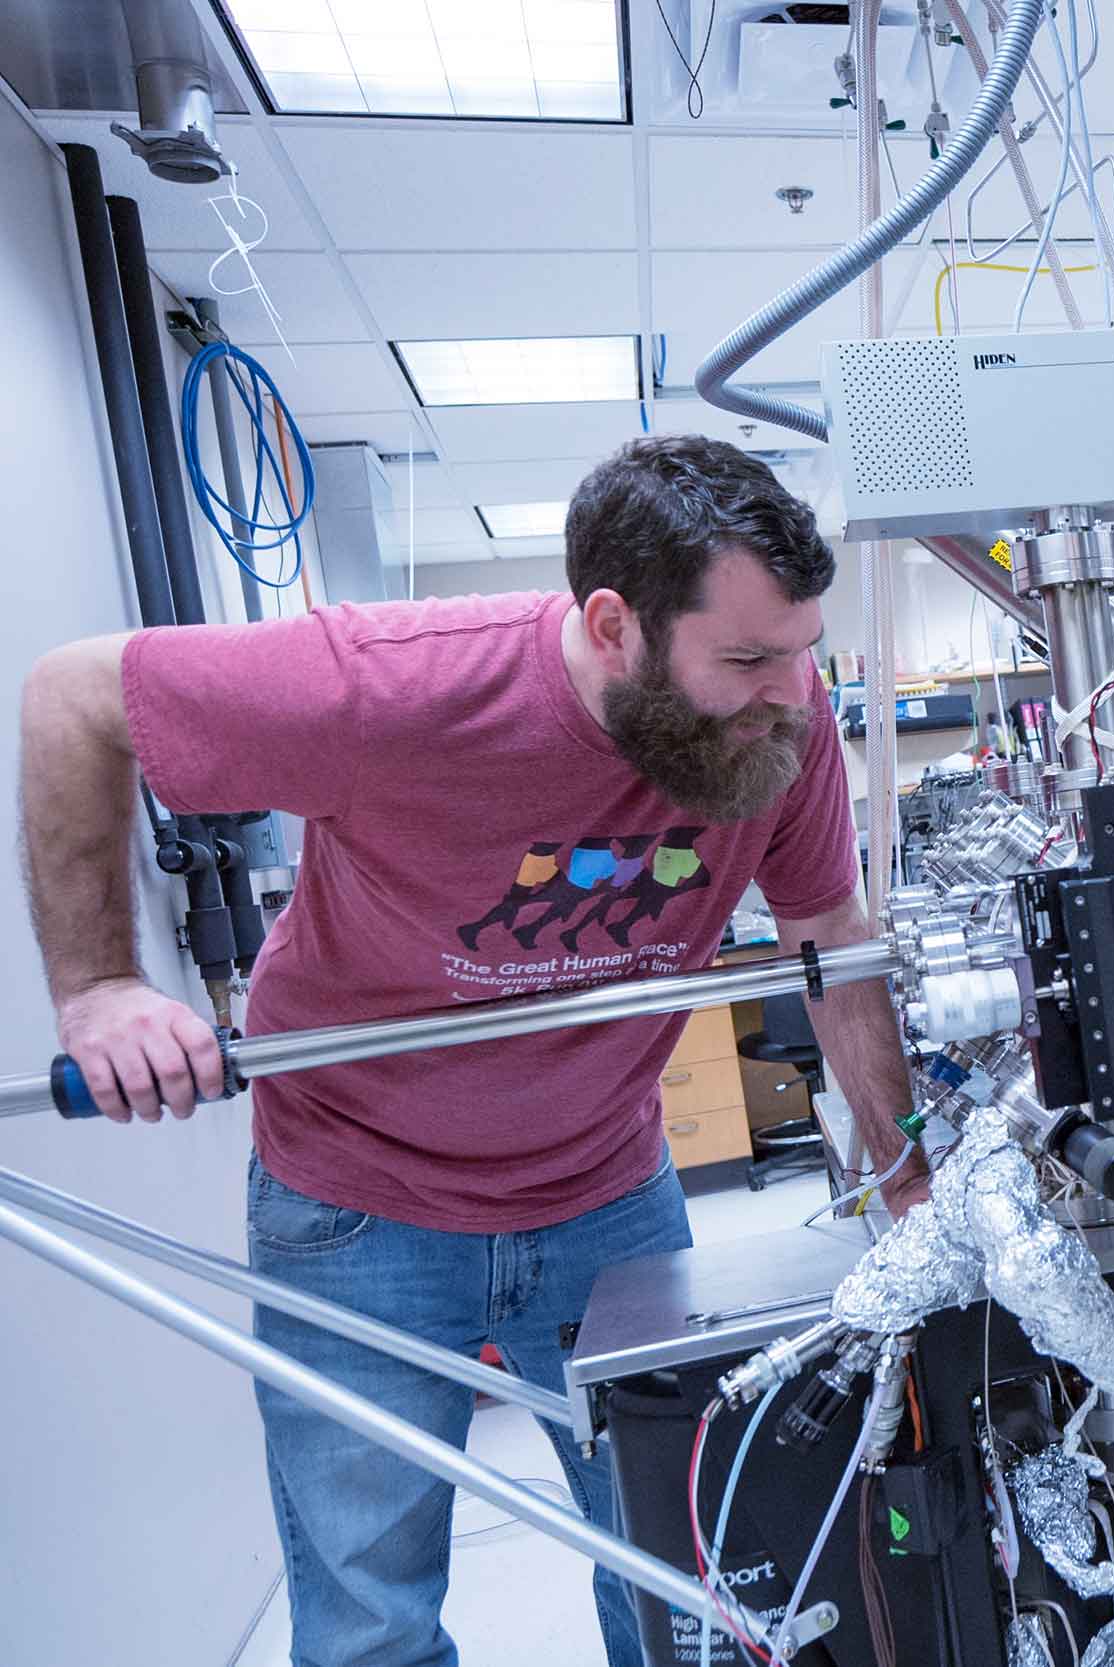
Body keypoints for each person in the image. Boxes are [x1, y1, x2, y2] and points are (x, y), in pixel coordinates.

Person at [19, 434, 923, 1667]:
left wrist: (912, 1190)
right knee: (368, 1621)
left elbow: (832, 941)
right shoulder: (387, 687)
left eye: (803, 651)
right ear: (613, 627)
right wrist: (102, 986)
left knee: (693, 1583)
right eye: (750, 657)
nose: (790, 691)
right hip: (355, 1202)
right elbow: (73, 694)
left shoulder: (783, 728)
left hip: (607, 1186)